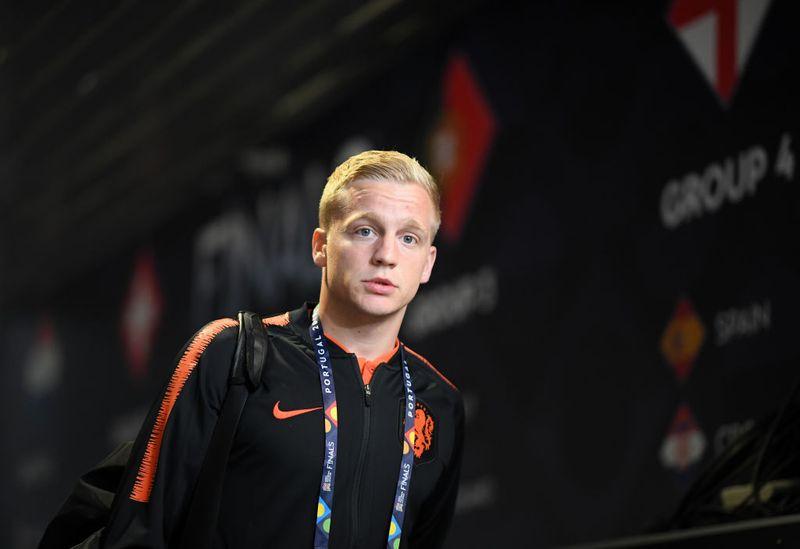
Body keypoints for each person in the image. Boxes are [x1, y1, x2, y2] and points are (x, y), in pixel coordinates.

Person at [102, 150, 465, 548]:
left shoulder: (440, 403)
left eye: (409, 238)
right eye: (365, 231)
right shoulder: (232, 355)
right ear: (320, 246)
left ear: (428, 263)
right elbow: (139, 530)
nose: (386, 256)